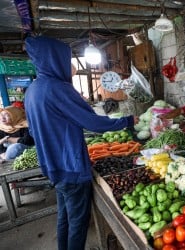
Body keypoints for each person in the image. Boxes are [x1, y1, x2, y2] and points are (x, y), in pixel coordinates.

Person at [24, 35, 138, 250]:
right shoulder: (59, 89)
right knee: (78, 222)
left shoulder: (33, 90)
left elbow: (33, 130)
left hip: (52, 166)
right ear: (53, 59)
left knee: (65, 216)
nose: (69, 66)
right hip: (71, 168)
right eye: (65, 60)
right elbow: (92, 122)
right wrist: (127, 120)